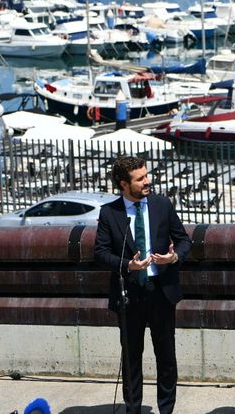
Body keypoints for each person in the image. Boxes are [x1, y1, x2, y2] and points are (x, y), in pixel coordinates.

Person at [94, 155, 192, 414]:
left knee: (166, 357)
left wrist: (174, 257)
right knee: (131, 357)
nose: (147, 181)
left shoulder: (161, 205)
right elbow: (101, 253)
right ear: (124, 185)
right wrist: (128, 264)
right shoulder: (110, 213)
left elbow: (184, 241)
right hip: (129, 295)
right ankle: (133, 408)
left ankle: (166, 408)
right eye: (140, 179)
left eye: (147, 176)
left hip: (161, 292)